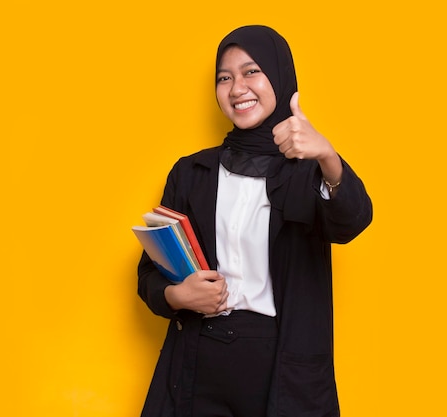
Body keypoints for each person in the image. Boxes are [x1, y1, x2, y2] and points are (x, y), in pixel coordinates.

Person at [137, 25, 372, 417]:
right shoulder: (191, 172)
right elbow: (148, 272)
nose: (236, 88)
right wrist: (177, 296)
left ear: (280, 78)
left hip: (281, 364)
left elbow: (352, 221)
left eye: (251, 72)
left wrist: (327, 157)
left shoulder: (308, 171)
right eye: (224, 77)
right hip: (197, 358)